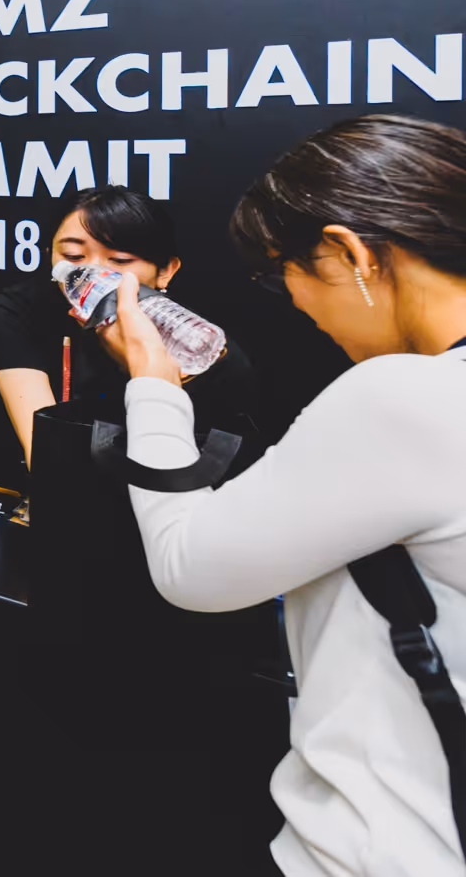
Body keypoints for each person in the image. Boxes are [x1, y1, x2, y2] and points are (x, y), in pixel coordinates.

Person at [100, 115, 466, 877]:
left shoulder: (401, 398)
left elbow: (188, 568)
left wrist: (151, 382)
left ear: (349, 253)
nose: (293, 302)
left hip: (380, 848)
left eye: (282, 272)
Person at [0, 186, 257, 467]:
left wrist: (140, 362)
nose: (92, 275)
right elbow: (46, 458)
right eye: (74, 257)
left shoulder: (198, 342)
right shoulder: (18, 311)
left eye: (120, 260)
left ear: (166, 271)